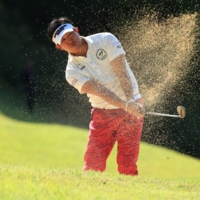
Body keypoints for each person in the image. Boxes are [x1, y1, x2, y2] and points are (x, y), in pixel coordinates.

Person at [47, 17, 145, 176]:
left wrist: (131, 101)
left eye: (69, 34)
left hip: (133, 103)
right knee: (93, 164)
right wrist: (126, 105)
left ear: (76, 30)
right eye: (63, 40)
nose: (69, 40)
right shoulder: (71, 72)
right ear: (59, 47)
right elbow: (100, 91)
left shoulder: (106, 39)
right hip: (103, 113)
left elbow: (122, 73)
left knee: (128, 163)